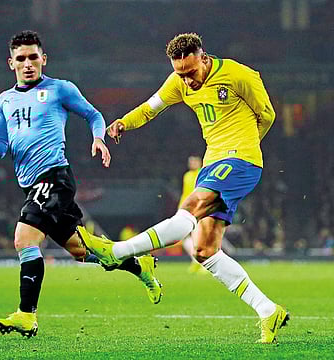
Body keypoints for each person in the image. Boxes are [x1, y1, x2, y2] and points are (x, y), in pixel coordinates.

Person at [77, 33, 289, 344]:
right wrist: (124, 122)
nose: (187, 81)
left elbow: (267, 114)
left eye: (191, 73)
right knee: (205, 251)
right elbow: (151, 107)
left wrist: (246, 145)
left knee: (187, 211)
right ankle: (268, 310)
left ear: (204, 59)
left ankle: (116, 251)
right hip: (212, 164)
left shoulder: (240, 74)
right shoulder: (178, 80)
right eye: (181, 74)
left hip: (241, 160)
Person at [0, 30, 162, 338]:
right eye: (21, 59)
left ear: (43, 59)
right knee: (83, 251)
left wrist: (98, 138)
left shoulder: (59, 89)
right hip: (30, 185)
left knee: (24, 240)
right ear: (11, 63)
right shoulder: (5, 101)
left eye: (33, 57)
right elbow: (2, 150)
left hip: (55, 177)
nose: (28, 64)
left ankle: (27, 315)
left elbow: (93, 115)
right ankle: (140, 266)